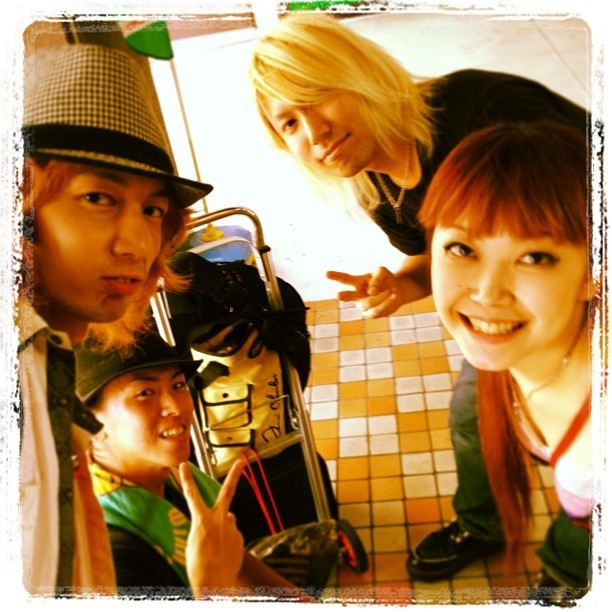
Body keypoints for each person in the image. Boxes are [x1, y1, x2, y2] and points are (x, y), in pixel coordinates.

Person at [248, 12, 589, 581]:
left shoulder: (482, 111)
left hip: (584, 294)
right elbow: (434, 255)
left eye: (316, 97)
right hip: (523, 314)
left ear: (357, 71)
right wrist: (403, 284)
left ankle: (569, 572)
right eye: (289, 123)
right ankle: (484, 525)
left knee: (590, 454)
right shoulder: (376, 186)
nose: (314, 133)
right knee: (474, 416)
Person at [17, 42, 213, 596]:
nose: (137, 245)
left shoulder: (46, 361)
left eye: (153, 210)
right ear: (19, 205)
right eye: (99, 197)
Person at [417, 120, 594, 605]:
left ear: (594, 273)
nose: (487, 292)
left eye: (534, 257)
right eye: (462, 248)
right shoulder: (517, 354)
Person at [74, 330, 316, 600]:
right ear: (88, 423)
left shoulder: (175, 476)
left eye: (178, 385)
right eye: (145, 393)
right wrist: (211, 586)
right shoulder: (113, 554)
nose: (175, 407)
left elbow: (237, 561)